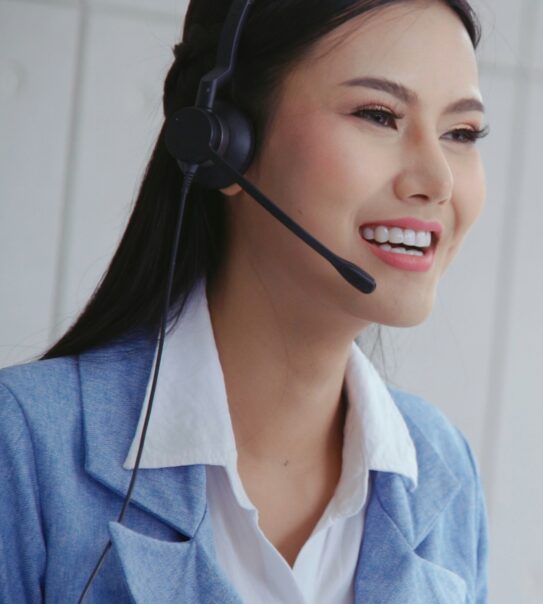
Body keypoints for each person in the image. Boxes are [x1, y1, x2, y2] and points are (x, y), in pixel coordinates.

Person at [0, 0, 489, 602]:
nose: (438, 181)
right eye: (378, 115)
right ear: (222, 142)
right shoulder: (23, 447)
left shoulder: (441, 467)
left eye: (462, 133)